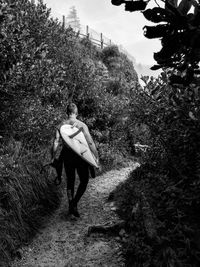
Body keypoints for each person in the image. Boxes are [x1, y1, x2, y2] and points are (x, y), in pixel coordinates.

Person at [51, 103, 99, 217]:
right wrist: (96, 156)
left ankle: (71, 206)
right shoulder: (82, 125)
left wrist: (53, 157)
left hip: (67, 156)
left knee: (70, 182)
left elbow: (56, 142)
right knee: (84, 181)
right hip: (80, 155)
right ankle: (74, 203)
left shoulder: (61, 125)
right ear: (76, 113)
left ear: (66, 113)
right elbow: (90, 142)